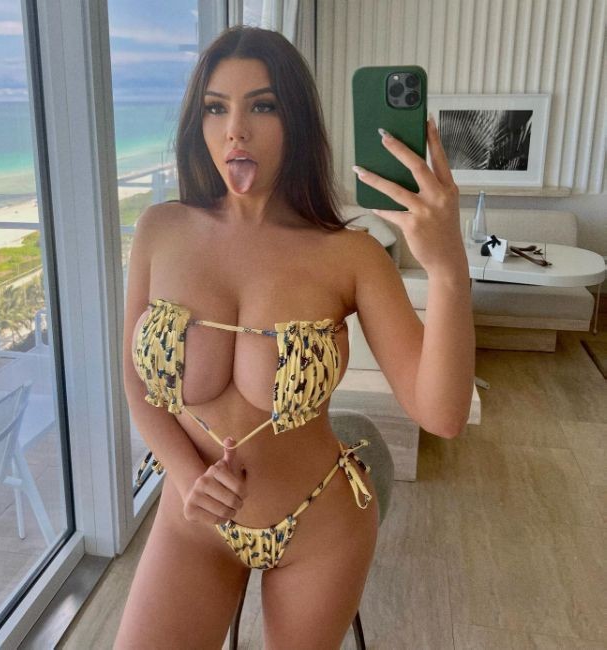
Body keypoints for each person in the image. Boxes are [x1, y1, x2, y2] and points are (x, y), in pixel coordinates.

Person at [115, 25, 474, 650]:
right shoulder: (159, 231)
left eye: (262, 106)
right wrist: (186, 475)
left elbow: (441, 415)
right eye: (216, 108)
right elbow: (135, 380)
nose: (235, 130)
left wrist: (447, 268)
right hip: (192, 520)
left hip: (319, 526)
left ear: (296, 121)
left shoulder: (351, 255)